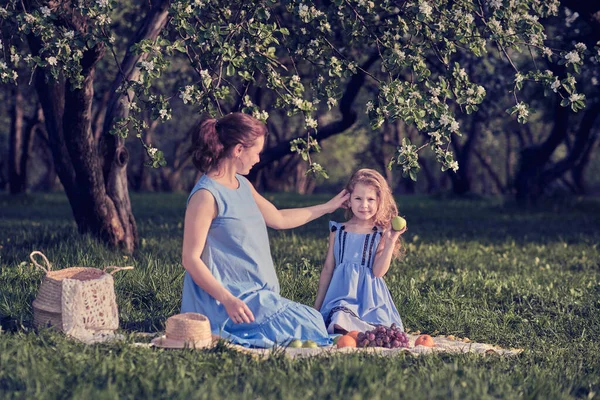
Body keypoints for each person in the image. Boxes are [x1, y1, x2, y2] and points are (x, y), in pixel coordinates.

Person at [180, 112, 349, 348]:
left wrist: (327, 207)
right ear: (239, 149)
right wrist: (228, 300)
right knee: (308, 326)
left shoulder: (243, 185)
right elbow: (190, 259)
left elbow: (279, 218)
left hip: (257, 297)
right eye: (256, 152)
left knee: (313, 321)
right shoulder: (206, 195)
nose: (258, 159)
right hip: (228, 303)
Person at [314, 168, 407, 334]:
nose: (364, 205)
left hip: (370, 301)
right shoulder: (338, 230)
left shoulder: (380, 233)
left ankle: (360, 332)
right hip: (341, 297)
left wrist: (390, 241)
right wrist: (317, 308)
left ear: (379, 201)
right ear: (348, 200)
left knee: (379, 330)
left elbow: (378, 272)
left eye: (370, 199)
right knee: (339, 317)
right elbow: (328, 269)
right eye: (358, 198)